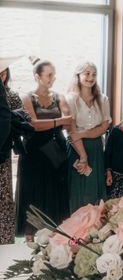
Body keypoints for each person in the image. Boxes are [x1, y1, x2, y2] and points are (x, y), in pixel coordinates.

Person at [17, 60, 73, 237]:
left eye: (53, 74)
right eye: (49, 74)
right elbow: (33, 125)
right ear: (37, 77)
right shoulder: (27, 98)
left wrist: (56, 122)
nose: (53, 78)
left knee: (55, 194)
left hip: (56, 151)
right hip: (34, 154)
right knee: (33, 195)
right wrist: (58, 122)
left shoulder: (59, 96)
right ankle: (30, 239)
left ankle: (54, 241)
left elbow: (69, 119)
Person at [66, 61, 111, 211]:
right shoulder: (71, 99)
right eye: (87, 73)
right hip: (76, 148)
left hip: (96, 147)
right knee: (78, 189)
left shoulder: (102, 99)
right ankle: (76, 227)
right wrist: (83, 157)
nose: (90, 78)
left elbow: (104, 127)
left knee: (94, 188)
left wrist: (83, 133)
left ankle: (93, 227)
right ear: (78, 75)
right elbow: (71, 132)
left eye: (94, 74)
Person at [0, 58, 18, 244]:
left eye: (4, 72)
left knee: (4, 199)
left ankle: (4, 241)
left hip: (2, 155)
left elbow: (9, 122)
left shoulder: (9, 95)